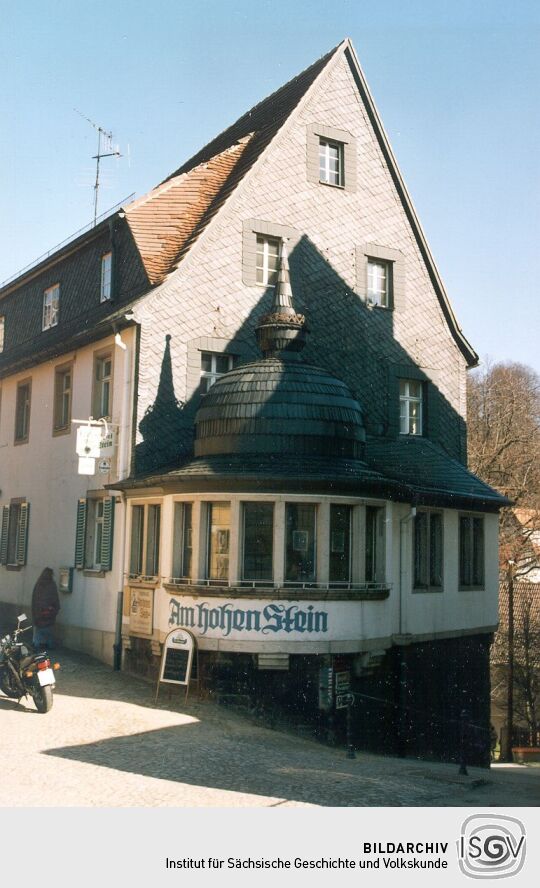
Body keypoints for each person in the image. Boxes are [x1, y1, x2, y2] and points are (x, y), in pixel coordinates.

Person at [31, 567, 60, 650]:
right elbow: (55, 598)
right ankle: (49, 646)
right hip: (49, 612)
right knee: (49, 632)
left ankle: (36, 646)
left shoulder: (39, 584)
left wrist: (36, 612)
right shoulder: (52, 584)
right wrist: (54, 608)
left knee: (38, 633)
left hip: (39, 613)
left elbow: (35, 599)